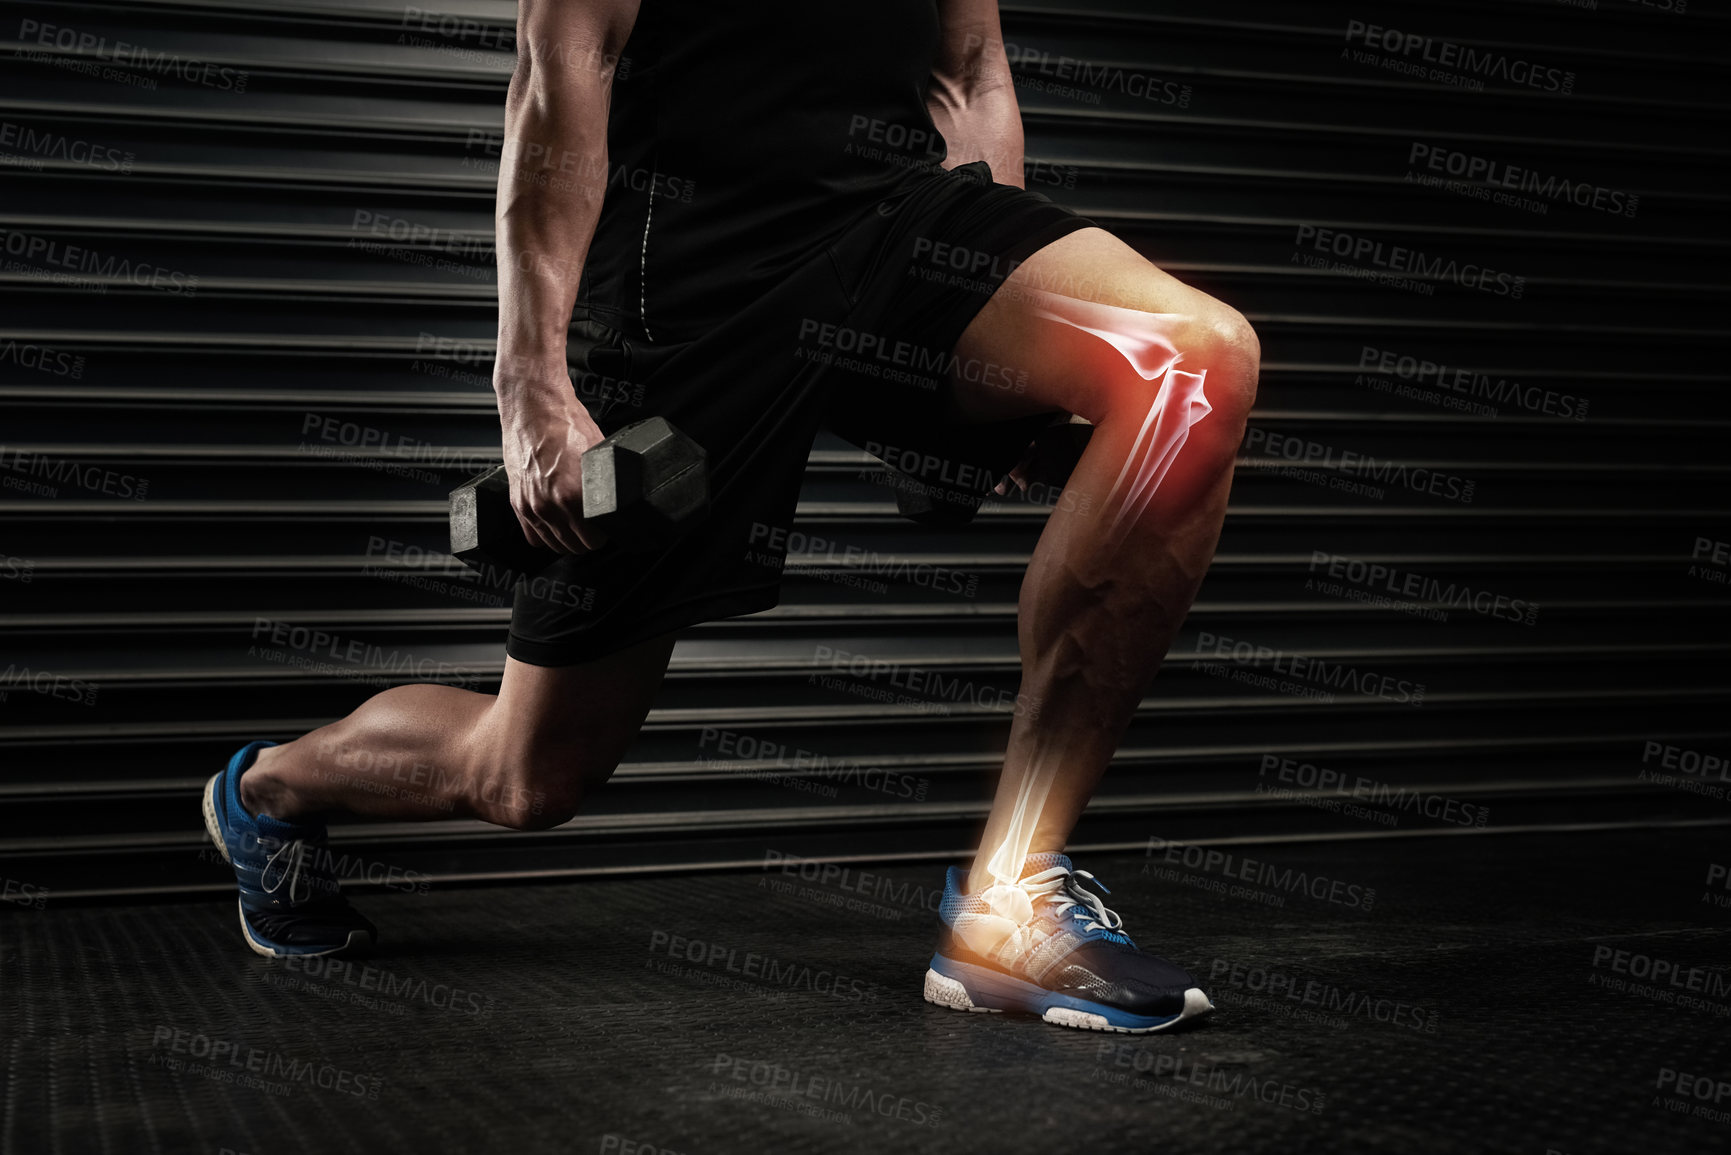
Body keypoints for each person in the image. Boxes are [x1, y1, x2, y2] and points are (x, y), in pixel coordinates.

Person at [203, 0, 1259, 1034]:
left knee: (1192, 362)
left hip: (898, 226)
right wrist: (530, 380)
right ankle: (274, 792)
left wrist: (1001, 340)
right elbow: (566, 53)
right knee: (532, 776)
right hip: (687, 280)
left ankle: (1011, 896)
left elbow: (968, 68)